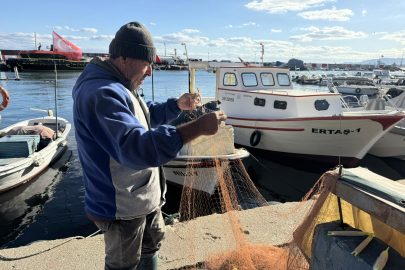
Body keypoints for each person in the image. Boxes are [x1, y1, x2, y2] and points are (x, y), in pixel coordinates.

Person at [72, 21, 226, 270]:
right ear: (124, 58)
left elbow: (141, 114)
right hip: (120, 206)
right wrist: (196, 128)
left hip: (140, 198)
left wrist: (176, 106)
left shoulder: (119, 84)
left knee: (151, 242)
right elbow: (136, 147)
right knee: (123, 263)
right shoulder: (100, 92)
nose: (150, 72)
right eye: (147, 64)